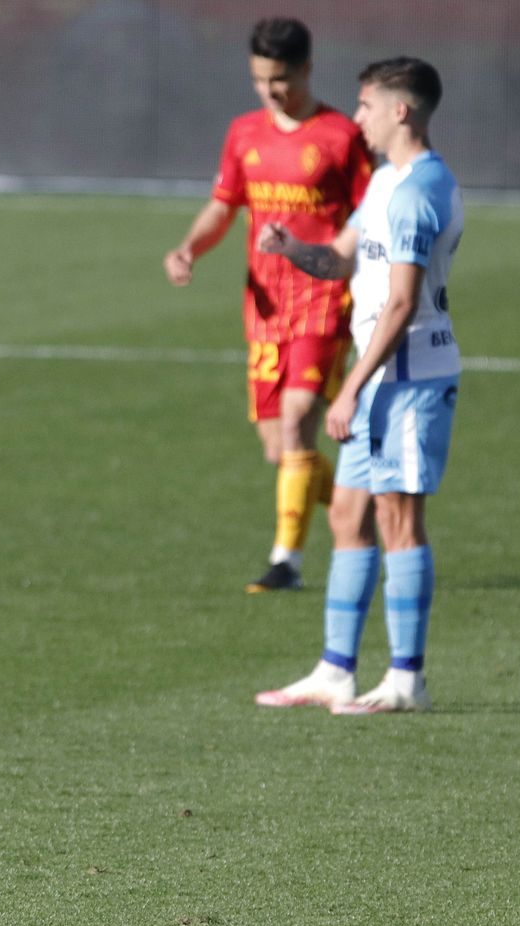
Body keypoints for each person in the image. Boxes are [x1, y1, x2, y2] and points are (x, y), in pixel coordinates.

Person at [253, 57, 461, 714]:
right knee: (347, 515)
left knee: (399, 519)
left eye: (366, 105)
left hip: (408, 381)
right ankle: (336, 669)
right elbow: (343, 257)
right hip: (378, 382)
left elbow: (400, 304)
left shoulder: (417, 192)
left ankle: (406, 679)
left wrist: (347, 390)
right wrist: (292, 250)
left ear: (401, 111)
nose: (357, 117)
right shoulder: (383, 184)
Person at [163, 17, 373, 592]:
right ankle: (366, 509)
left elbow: (368, 211)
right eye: (260, 79)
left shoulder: (340, 135)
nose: (271, 91)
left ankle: (287, 562)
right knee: (280, 448)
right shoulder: (244, 133)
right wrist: (188, 249)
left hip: (326, 296)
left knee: (301, 416)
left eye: (280, 78)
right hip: (265, 305)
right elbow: (223, 206)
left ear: (306, 68)